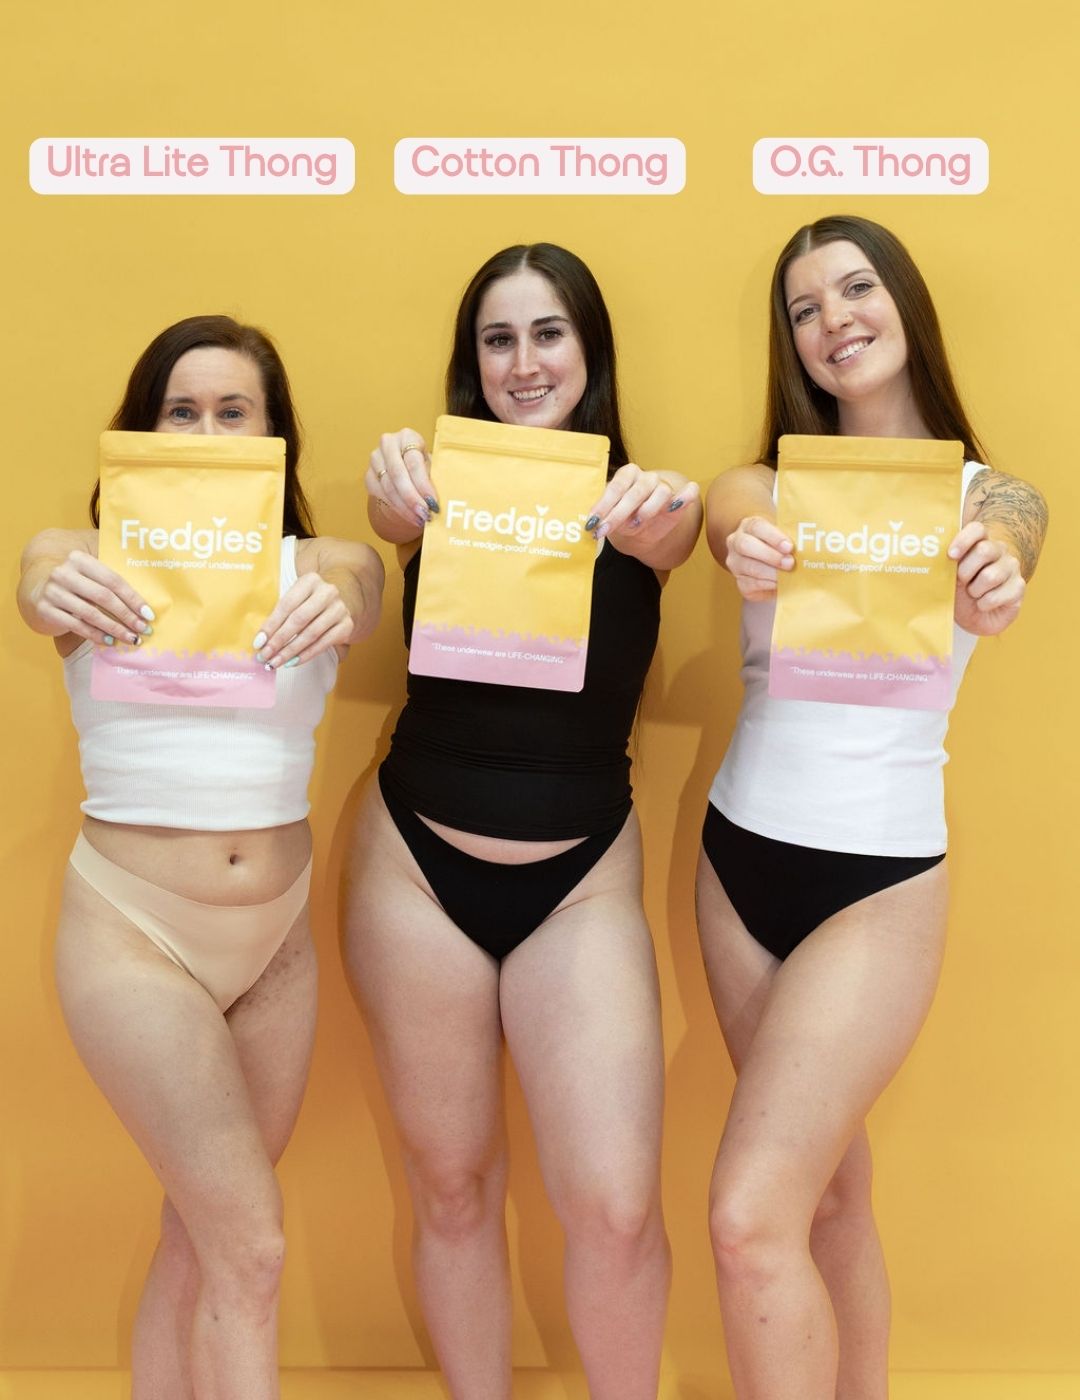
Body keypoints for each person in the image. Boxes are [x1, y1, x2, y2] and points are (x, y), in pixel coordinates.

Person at [697, 215, 1048, 1400]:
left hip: (878, 884)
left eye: (855, 289)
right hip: (738, 864)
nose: (833, 318)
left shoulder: (990, 495)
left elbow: (1015, 529)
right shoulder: (767, 480)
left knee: (750, 1215)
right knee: (827, 1190)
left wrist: (994, 564)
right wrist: (741, 536)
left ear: (905, 305)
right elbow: (726, 504)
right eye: (804, 307)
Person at [343, 243, 701, 1400]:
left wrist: (664, 514)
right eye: (498, 339)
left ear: (588, 352)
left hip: (579, 879)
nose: (524, 361)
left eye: (548, 333)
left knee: (613, 1200)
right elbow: (381, 514)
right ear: (472, 363)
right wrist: (393, 496)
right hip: (416, 869)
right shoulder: (425, 485)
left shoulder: (642, 507)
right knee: (450, 1183)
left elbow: (679, 534)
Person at [17, 315, 384, 1400]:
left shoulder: (323, 564)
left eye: (237, 412)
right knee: (251, 1244)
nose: (209, 430)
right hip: (135, 933)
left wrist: (341, 600)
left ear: (275, 440)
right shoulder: (81, 561)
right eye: (183, 410)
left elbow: (359, 590)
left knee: (208, 1230)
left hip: (275, 946)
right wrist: (41, 586)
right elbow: (37, 579)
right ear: (140, 429)